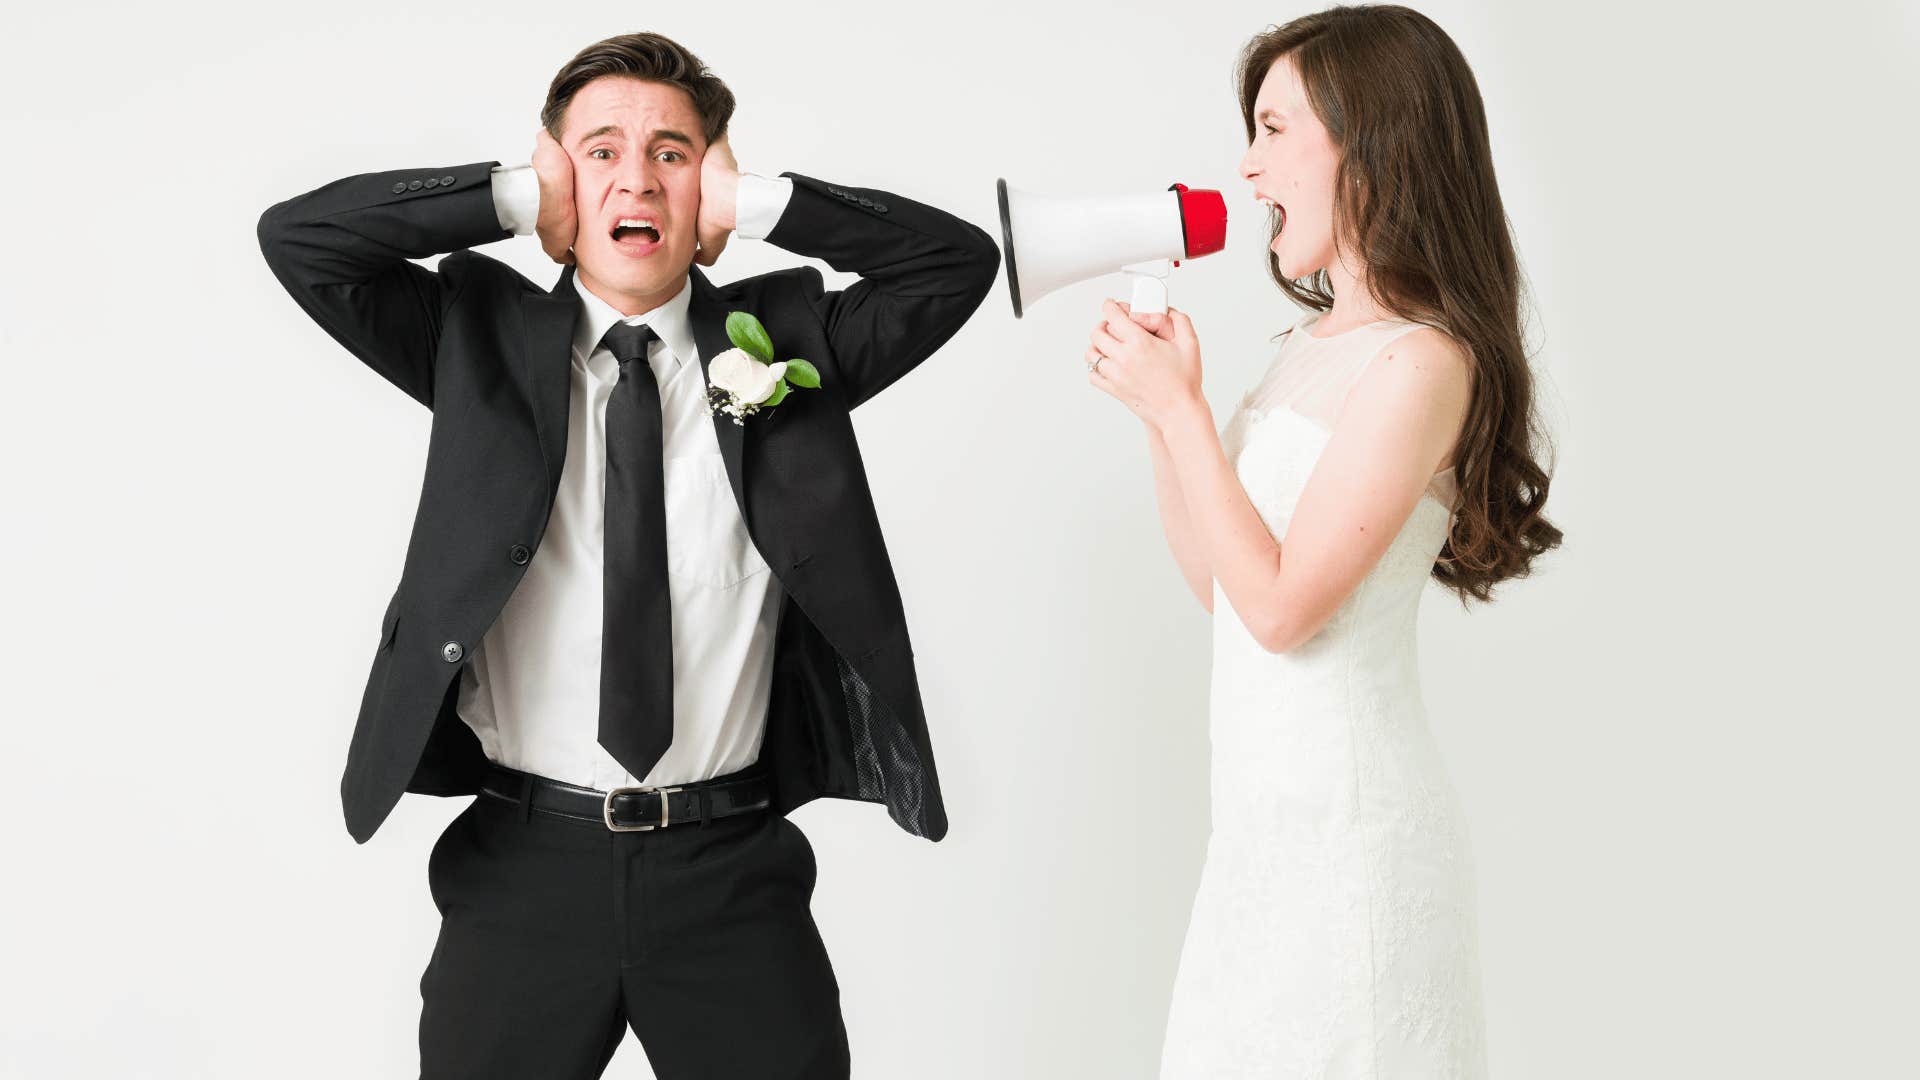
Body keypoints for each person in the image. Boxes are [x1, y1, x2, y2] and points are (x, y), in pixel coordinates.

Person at [256, 31, 998, 1079]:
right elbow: (301, 240)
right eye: (599, 151)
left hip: (731, 873)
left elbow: (956, 263)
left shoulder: (790, 342)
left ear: (713, 190)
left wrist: (768, 206)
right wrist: (514, 197)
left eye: (674, 152)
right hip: (522, 871)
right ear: (560, 183)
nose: (637, 176)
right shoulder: (475, 338)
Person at [1080, 6, 1562, 1076]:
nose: (1247, 170)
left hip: (1354, 852)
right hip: (1257, 850)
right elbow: (1224, 591)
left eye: (1272, 130)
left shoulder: (1423, 362)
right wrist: (1172, 420)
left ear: (1372, 138)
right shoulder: (1306, 347)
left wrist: (1184, 417)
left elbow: (1287, 612)